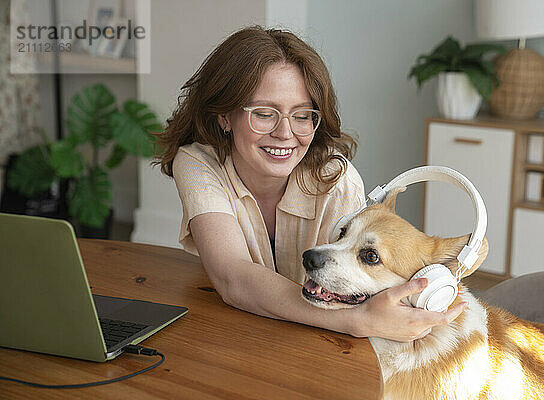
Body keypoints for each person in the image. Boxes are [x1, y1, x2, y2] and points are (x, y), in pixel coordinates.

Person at [156, 25, 466, 342]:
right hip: (234, 331)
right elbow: (232, 278)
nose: (285, 133)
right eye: (264, 113)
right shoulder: (197, 164)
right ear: (224, 115)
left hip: (319, 344)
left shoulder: (337, 179)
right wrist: (357, 322)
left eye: (303, 116)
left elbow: (348, 292)